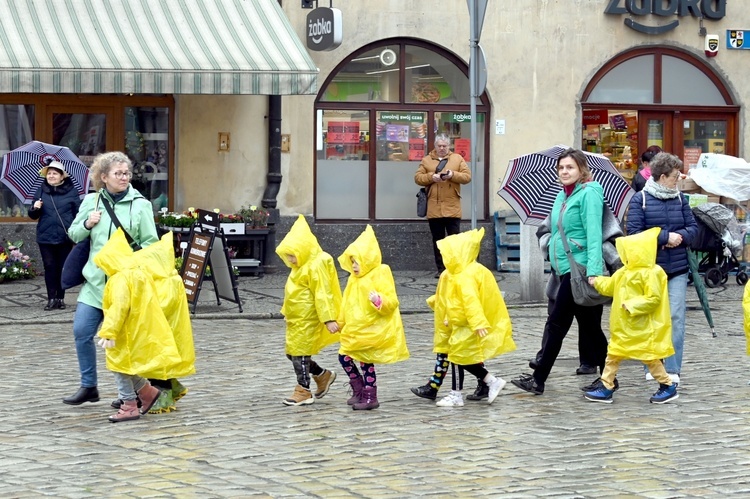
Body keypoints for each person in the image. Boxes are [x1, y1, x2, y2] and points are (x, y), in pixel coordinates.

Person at [62, 152, 160, 406]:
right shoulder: (92, 202)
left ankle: (130, 395)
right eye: (118, 173)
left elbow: (151, 245)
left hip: (125, 286)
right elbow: (73, 234)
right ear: (103, 177)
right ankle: (89, 386)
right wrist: (87, 223)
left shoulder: (141, 205)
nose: (124, 177)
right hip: (95, 284)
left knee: (122, 342)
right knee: (82, 332)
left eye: (126, 173)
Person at [511, 148, 609, 396]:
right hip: (564, 269)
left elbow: (594, 234)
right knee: (590, 329)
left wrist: (595, 271)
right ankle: (609, 379)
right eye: (561, 168)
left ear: (581, 169)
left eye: (570, 167)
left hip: (582, 269)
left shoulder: (590, 194)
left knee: (557, 323)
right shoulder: (561, 196)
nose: (564, 172)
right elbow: (555, 231)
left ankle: (538, 379)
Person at [94, 229, 193, 422]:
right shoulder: (138, 274)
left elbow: (119, 307)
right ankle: (147, 392)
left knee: (120, 366)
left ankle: (128, 405)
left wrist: (108, 332)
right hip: (139, 330)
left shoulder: (120, 279)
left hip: (126, 332)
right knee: (126, 367)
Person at [583, 227, 678, 404]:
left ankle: (668, 385)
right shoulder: (625, 272)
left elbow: (654, 298)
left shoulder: (652, 273)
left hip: (642, 328)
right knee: (613, 355)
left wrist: (632, 305)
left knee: (649, 358)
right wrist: (597, 282)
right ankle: (607, 386)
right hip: (623, 328)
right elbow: (611, 285)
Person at [421, 228, 514, 407]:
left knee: (458, 358)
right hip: (463, 323)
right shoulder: (463, 272)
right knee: (461, 358)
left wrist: (474, 321)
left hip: (464, 324)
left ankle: (461, 393)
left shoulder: (464, 275)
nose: (445, 258)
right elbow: (450, 297)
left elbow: (470, 302)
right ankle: (486, 382)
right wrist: (437, 303)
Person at [627, 152, 698, 385]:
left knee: (676, 317)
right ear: (662, 176)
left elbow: (694, 229)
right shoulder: (641, 199)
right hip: (651, 269)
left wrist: (680, 237)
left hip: (677, 267)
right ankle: (654, 364)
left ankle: (673, 367)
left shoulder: (681, 200)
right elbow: (635, 234)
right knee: (652, 318)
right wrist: (665, 237)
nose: (678, 179)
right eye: (675, 175)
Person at [336, 225, 410, 410]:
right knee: (344, 357)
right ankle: (359, 389)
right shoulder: (353, 278)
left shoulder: (381, 272)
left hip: (371, 328)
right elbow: (347, 302)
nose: (354, 266)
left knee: (366, 362)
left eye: (357, 261)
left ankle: (370, 396)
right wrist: (340, 322)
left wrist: (379, 300)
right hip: (355, 328)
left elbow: (392, 301)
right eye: (352, 262)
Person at [275, 214, 342, 406]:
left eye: (292, 254)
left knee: (300, 353)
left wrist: (328, 318)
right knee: (293, 353)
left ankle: (303, 391)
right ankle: (322, 375)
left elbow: (323, 293)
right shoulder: (300, 266)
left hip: (309, 317)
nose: (290, 259)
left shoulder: (316, 264)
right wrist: (286, 312)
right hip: (297, 318)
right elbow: (292, 292)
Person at [414, 133, 471, 277]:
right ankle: (441, 270)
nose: (442, 148)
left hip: (452, 207)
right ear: (435, 146)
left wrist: (453, 175)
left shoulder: (457, 159)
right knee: (438, 241)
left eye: (444, 146)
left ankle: (455, 269)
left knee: (454, 241)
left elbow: (467, 177)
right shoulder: (427, 160)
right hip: (434, 207)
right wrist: (430, 177)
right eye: (439, 146)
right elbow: (418, 178)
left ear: (449, 146)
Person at [28, 160, 81, 311]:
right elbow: (32, 215)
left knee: (62, 267)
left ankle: (60, 298)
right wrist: (35, 208)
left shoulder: (72, 191)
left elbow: (78, 213)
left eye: (54, 173)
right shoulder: (41, 190)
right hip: (45, 236)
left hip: (65, 236)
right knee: (50, 266)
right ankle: (51, 299)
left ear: (62, 176)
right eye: (49, 173)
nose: (51, 176)